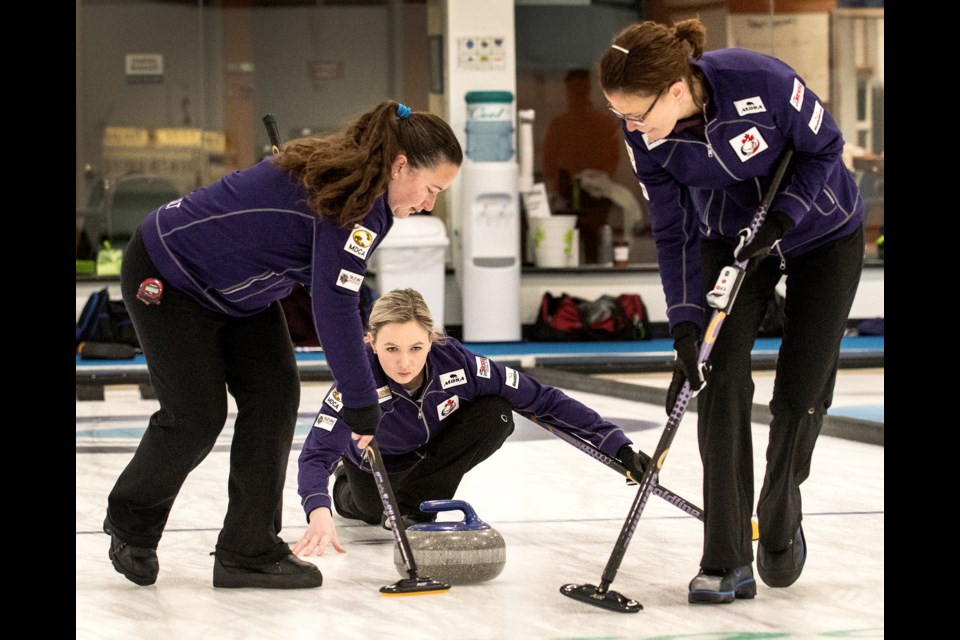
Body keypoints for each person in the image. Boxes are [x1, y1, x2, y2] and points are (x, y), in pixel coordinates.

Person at [103, 101, 463, 589]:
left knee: (274, 397)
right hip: (170, 272)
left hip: (242, 293)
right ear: (400, 166)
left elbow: (343, 291)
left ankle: (247, 550)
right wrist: (361, 402)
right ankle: (131, 524)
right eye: (431, 188)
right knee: (196, 414)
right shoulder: (353, 203)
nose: (429, 203)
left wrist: (364, 374)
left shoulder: (368, 204)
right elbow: (332, 305)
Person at [598, 19, 864, 604]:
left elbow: (826, 148)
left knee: (800, 391)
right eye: (621, 116)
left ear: (674, 88)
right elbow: (673, 231)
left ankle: (779, 504)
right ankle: (725, 557)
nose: (631, 127)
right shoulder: (645, 136)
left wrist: (785, 215)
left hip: (820, 231)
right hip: (729, 236)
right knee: (714, 378)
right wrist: (686, 324)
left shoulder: (759, 80)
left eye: (637, 114)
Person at [292, 288, 650, 557]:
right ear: (370, 342)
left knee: (496, 411)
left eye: (416, 348)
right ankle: (347, 488)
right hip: (374, 463)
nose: (404, 363)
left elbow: (542, 398)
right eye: (391, 349)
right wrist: (318, 509)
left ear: (431, 339)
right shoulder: (356, 380)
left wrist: (620, 446)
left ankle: (412, 506)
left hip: (429, 456)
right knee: (368, 511)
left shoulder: (460, 364)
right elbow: (314, 454)